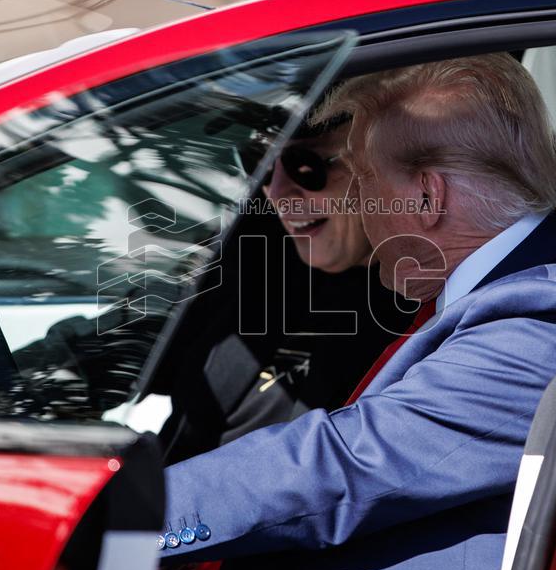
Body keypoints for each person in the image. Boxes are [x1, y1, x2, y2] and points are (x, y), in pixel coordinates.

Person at [155, 52, 556, 570]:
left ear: (427, 196)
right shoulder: (516, 286)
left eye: (365, 182)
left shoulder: (546, 315)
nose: (359, 208)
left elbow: (345, 465)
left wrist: (131, 516)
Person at [156, 113, 415, 462]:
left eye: (304, 165)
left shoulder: (430, 313)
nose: (276, 193)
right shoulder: (257, 259)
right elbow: (148, 353)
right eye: (258, 161)